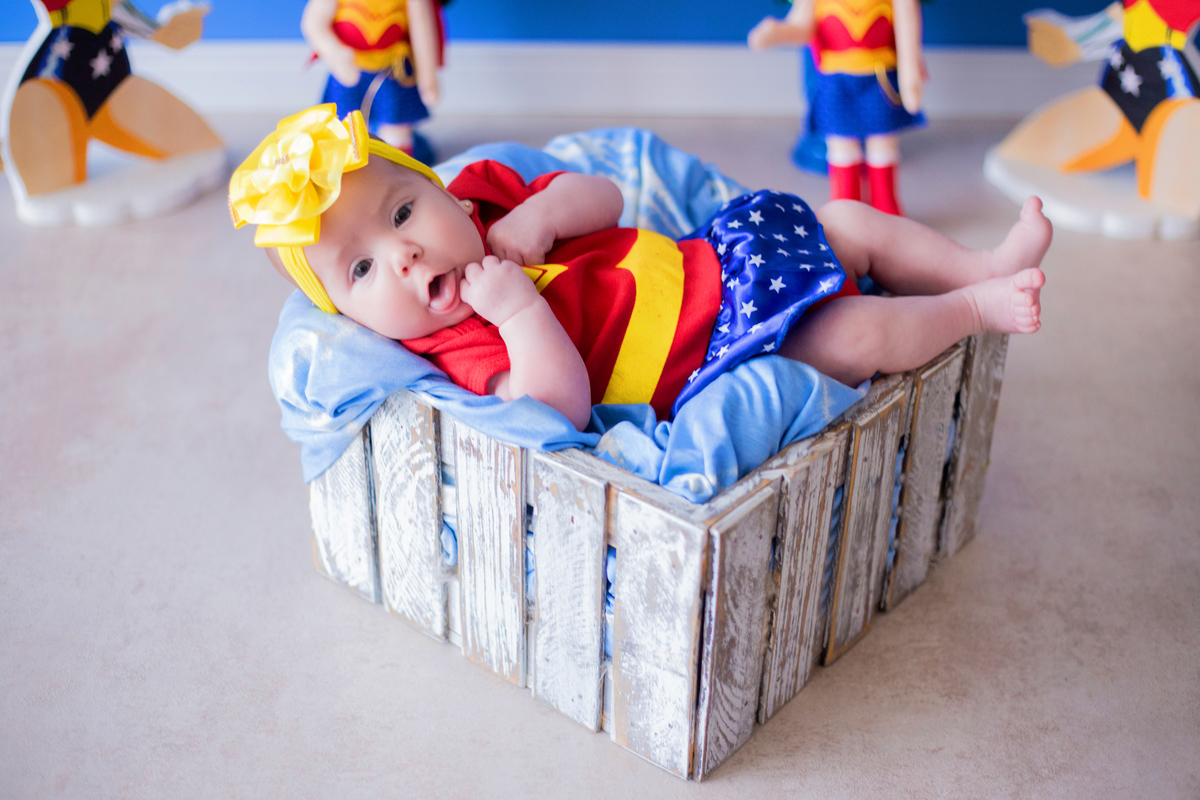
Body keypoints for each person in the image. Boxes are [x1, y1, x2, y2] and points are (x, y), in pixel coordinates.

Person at [230, 105, 1049, 432]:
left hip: (707, 258)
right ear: (349, 316)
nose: (405, 253)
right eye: (364, 269)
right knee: (859, 328)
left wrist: (540, 216)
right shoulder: (461, 347)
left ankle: (979, 259)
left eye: (404, 211)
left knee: (843, 222)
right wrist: (518, 311)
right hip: (705, 363)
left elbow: (608, 196)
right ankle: (975, 308)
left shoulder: (485, 198)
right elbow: (559, 406)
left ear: (437, 189)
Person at [748, 0, 925, 215]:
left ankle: (887, 213)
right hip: (836, 83)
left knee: (883, 146)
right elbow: (801, 28)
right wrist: (776, 33)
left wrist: (910, 75)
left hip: (879, 80)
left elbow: (906, 29)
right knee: (842, 148)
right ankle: (846, 213)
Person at [301, 0, 444, 159]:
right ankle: (354, 170)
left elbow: (422, 29)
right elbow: (314, 24)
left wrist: (427, 75)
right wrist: (335, 53)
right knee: (346, 127)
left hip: (393, 69)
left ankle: (398, 168)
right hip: (350, 68)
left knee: (396, 129)